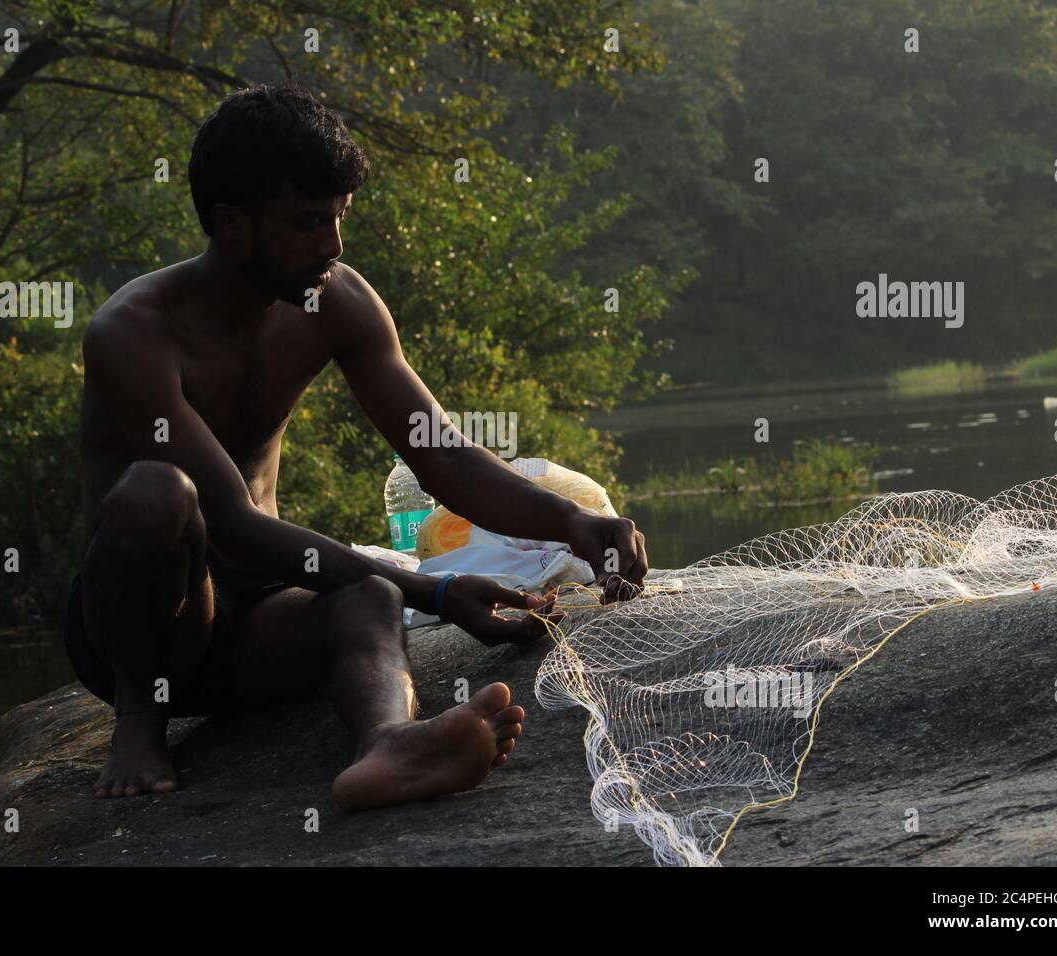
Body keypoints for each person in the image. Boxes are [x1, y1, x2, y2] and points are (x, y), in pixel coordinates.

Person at [62, 83, 648, 808]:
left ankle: (388, 746)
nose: (333, 245)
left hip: (257, 619)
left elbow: (439, 454)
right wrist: (435, 590)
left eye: (338, 217)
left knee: (368, 592)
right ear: (232, 222)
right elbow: (233, 525)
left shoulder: (334, 299)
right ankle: (138, 719)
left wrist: (572, 521)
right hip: (148, 621)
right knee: (156, 494)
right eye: (308, 223)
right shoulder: (132, 332)